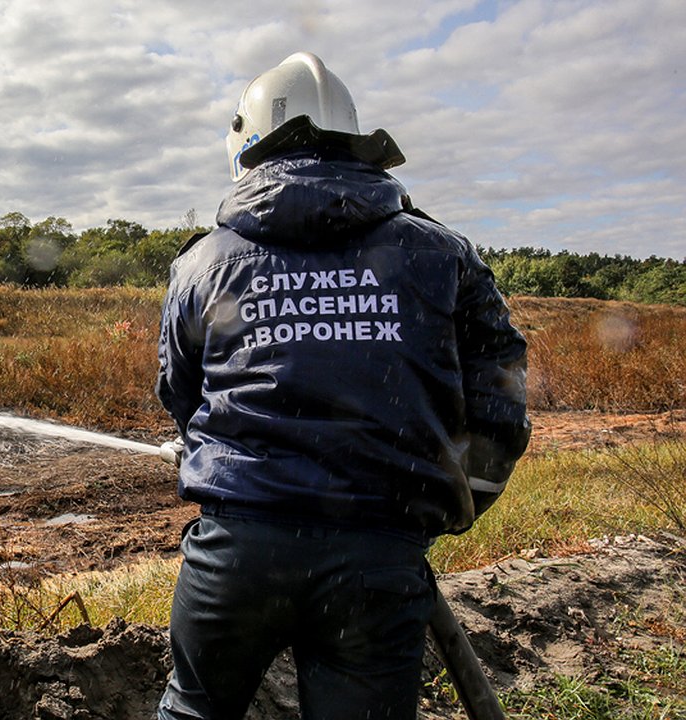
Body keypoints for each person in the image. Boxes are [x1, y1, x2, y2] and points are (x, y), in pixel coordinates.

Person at [155, 52, 531, 720]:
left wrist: (225, 458)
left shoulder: (202, 263)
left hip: (238, 555)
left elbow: (182, 396)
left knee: (196, 710)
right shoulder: (441, 253)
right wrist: (452, 506)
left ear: (244, 146)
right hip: (377, 558)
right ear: (355, 141)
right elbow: (500, 400)